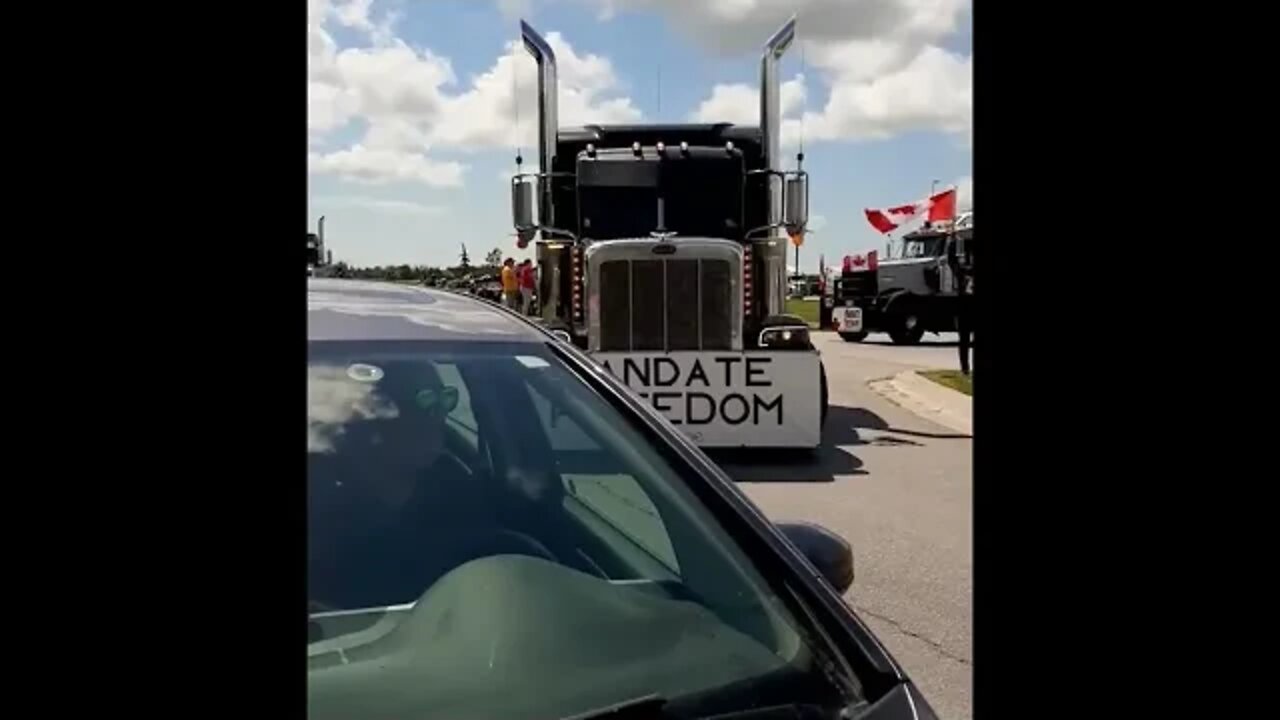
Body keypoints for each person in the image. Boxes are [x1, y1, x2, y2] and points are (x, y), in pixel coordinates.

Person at [307, 359, 511, 611]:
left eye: (445, 398)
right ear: (369, 417)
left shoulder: (456, 491)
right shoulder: (319, 500)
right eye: (423, 401)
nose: (439, 415)